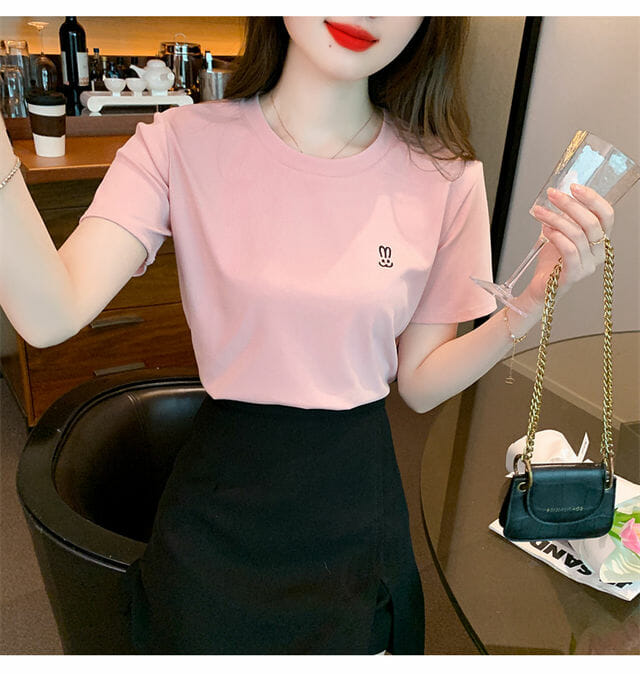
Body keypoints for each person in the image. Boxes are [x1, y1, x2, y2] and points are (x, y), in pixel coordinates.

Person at [0, 17, 615, 655]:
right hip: (224, 489)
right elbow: (49, 314)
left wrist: (532, 302)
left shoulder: (445, 176)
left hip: (353, 499)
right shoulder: (179, 142)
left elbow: (422, 384)